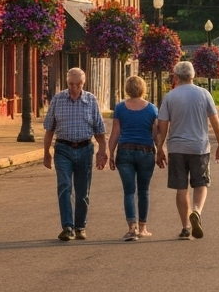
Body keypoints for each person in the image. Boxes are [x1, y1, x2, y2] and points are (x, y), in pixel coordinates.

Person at [156, 60, 219, 240]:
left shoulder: (170, 96)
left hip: (177, 147)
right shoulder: (204, 94)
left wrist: (159, 148)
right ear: (193, 75)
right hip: (199, 146)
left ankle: (186, 226)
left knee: (181, 188)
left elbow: (162, 125)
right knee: (201, 184)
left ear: (176, 76)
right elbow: (214, 121)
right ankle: (196, 211)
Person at [42, 67, 108, 241]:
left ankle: (80, 226)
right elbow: (49, 129)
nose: (74, 88)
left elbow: (99, 131)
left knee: (82, 191)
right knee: (64, 186)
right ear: (67, 82)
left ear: (83, 84)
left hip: (85, 149)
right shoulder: (58, 99)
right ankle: (68, 227)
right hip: (63, 148)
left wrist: (103, 151)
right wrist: (46, 152)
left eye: (78, 84)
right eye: (71, 84)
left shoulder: (91, 101)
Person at [108, 74, 158, 241]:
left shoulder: (120, 108)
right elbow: (155, 134)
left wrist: (111, 153)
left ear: (127, 89)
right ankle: (143, 228)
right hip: (146, 151)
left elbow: (115, 132)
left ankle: (131, 228)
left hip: (125, 151)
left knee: (129, 191)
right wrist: (161, 151)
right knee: (143, 191)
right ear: (143, 89)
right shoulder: (152, 109)